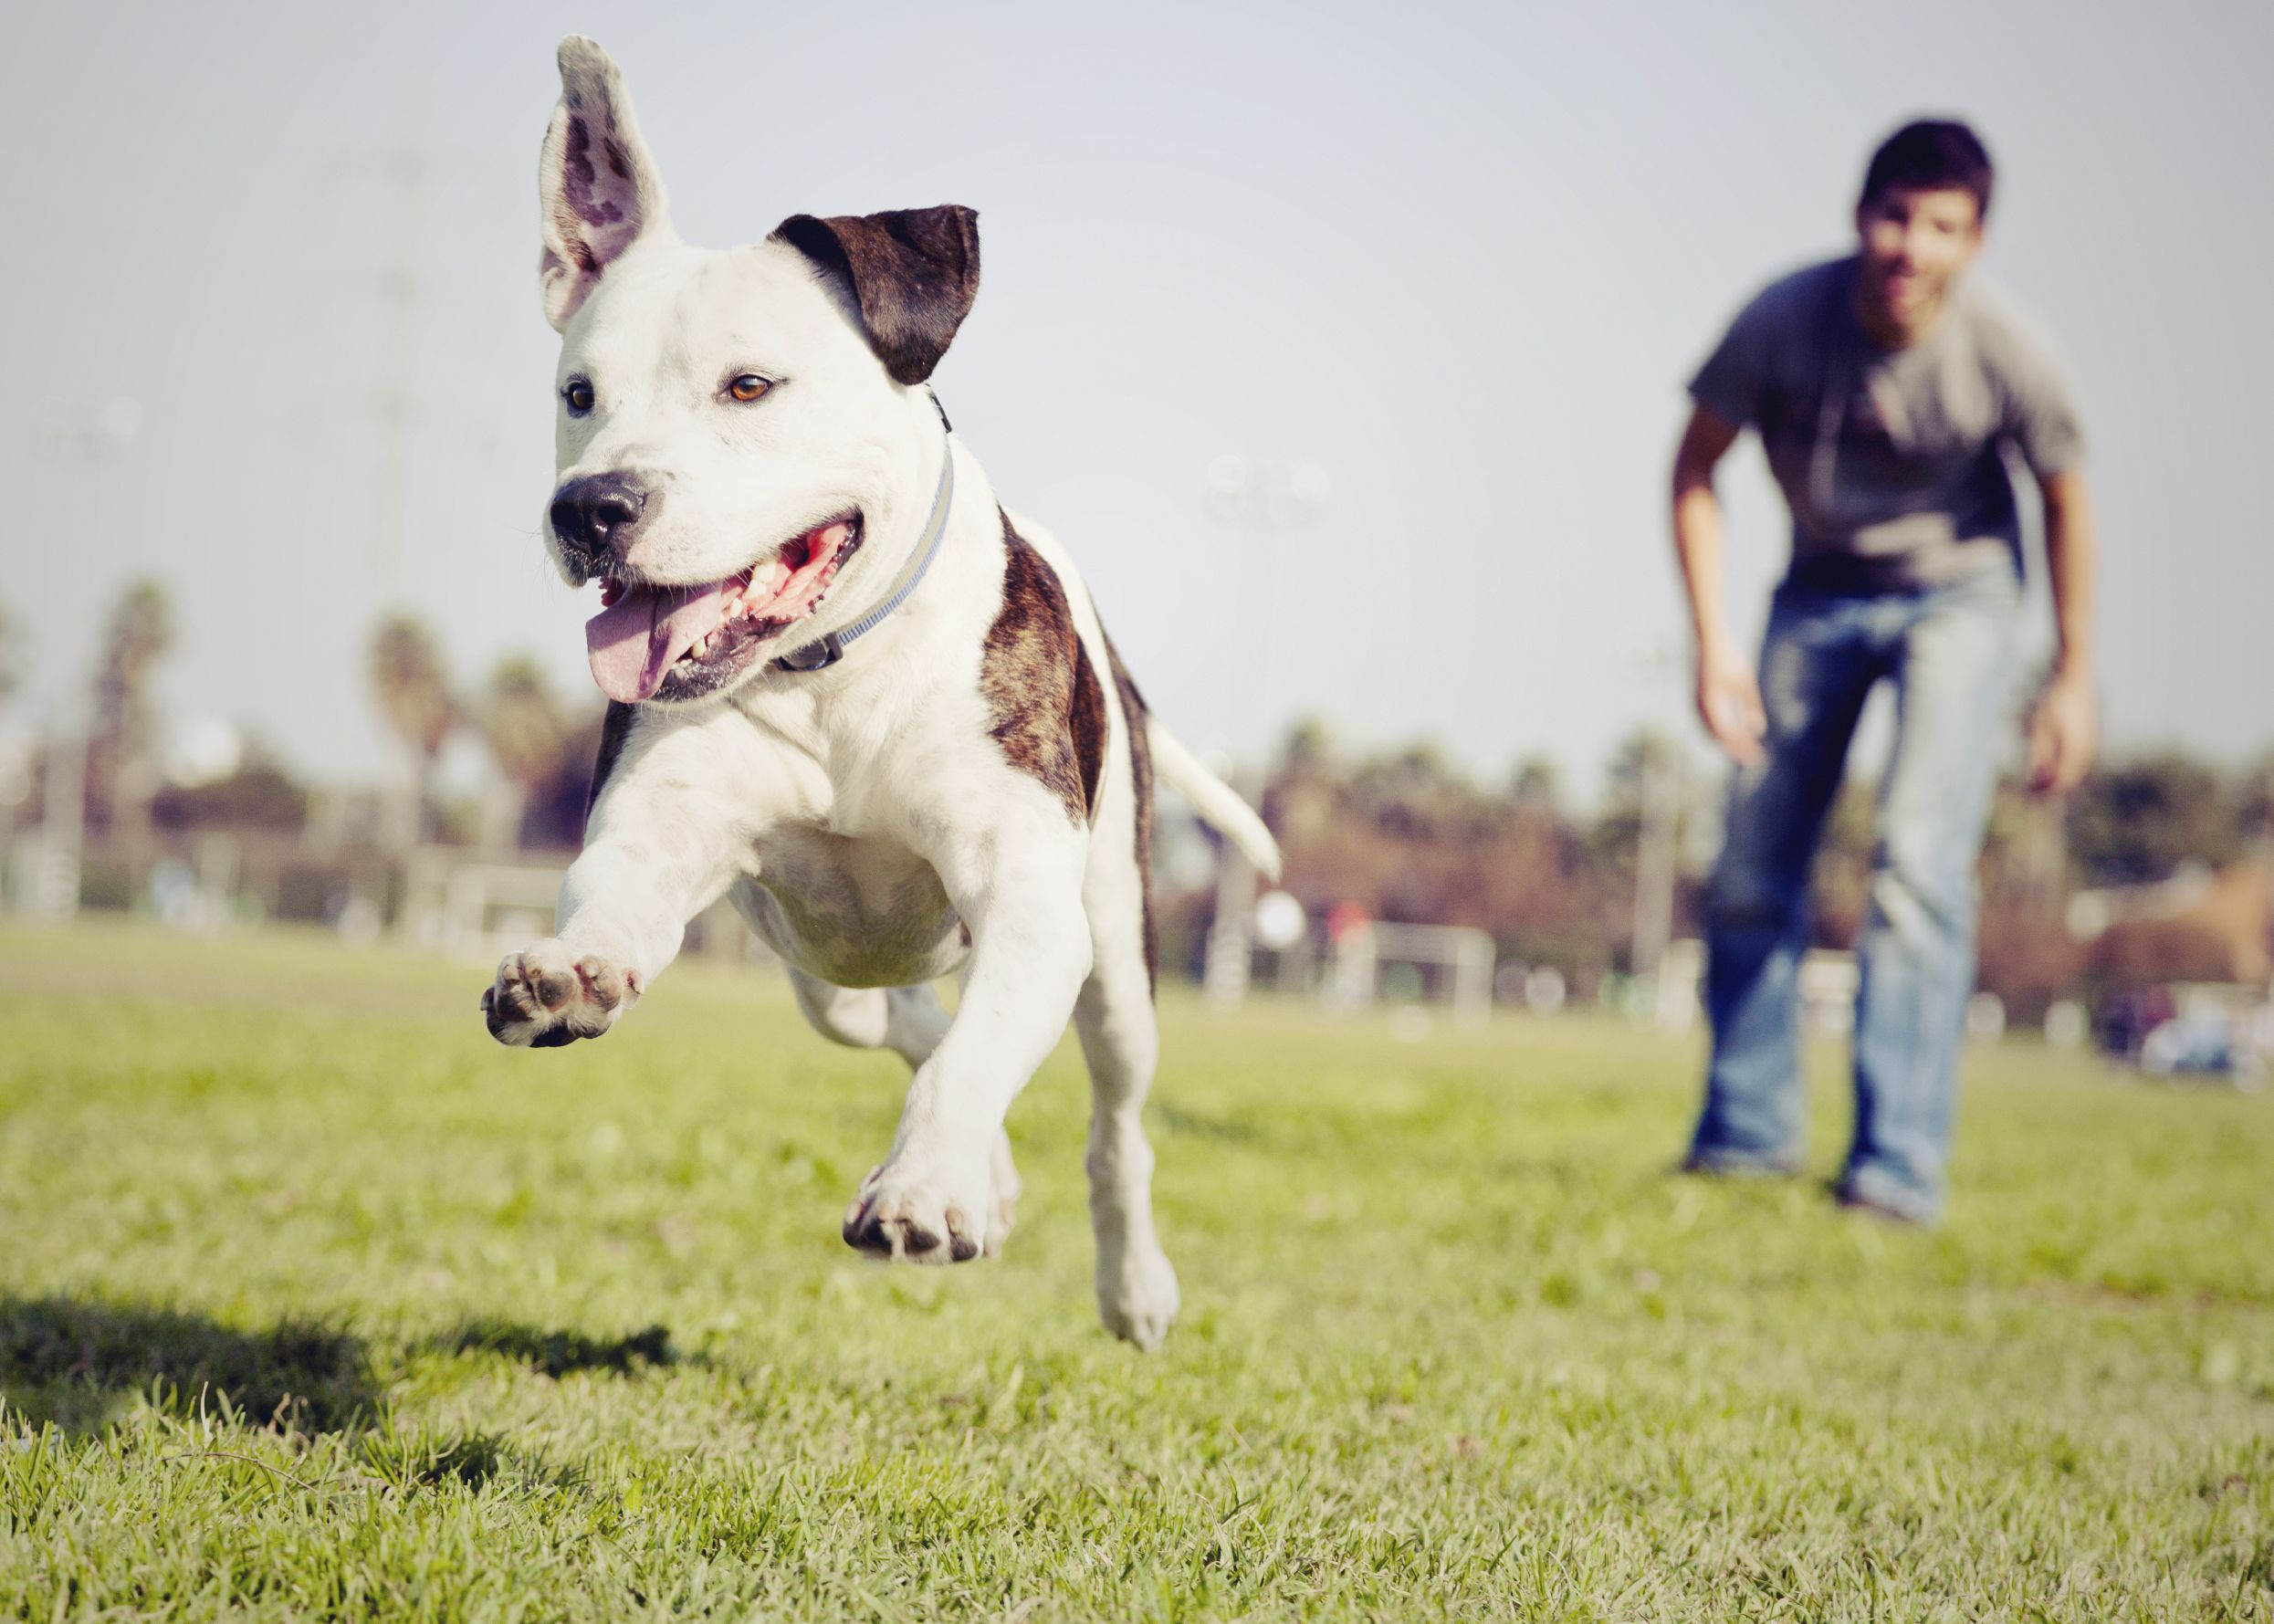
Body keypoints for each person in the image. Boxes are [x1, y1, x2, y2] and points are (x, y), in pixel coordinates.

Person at [1670, 119, 2097, 1223]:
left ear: (1976, 240)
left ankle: (1895, 1169)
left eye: (1942, 226)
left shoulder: (2005, 349)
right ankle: (1746, 1137)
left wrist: (2071, 675)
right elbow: (1695, 467)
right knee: (1756, 856)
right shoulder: (1782, 320)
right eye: (1895, 217)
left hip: (1960, 597)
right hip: (1815, 590)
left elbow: (2064, 498)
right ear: (1860, 218)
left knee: (1913, 862)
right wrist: (1713, 643)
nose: (1912, 246)